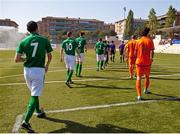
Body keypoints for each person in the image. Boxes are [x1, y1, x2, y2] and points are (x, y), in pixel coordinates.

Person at [15, 21, 53, 132]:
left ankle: (39, 112)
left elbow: (16, 59)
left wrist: (26, 59)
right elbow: (50, 56)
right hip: (38, 70)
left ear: (28, 30)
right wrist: (47, 66)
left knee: (34, 93)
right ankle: (25, 122)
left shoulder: (23, 41)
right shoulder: (44, 40)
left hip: (27, 71)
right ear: (37, 28)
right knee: (34, 95)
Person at [134, 27, 154, 101]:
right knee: (147, 77)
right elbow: (152, 52)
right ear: (147, 33)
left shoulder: (138, 41)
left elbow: (135, 52)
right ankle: (146, 89)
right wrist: (151, 59)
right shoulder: (150, 41)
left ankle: (139, 95)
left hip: (139, 62)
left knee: (138, 78)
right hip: (147, 63)